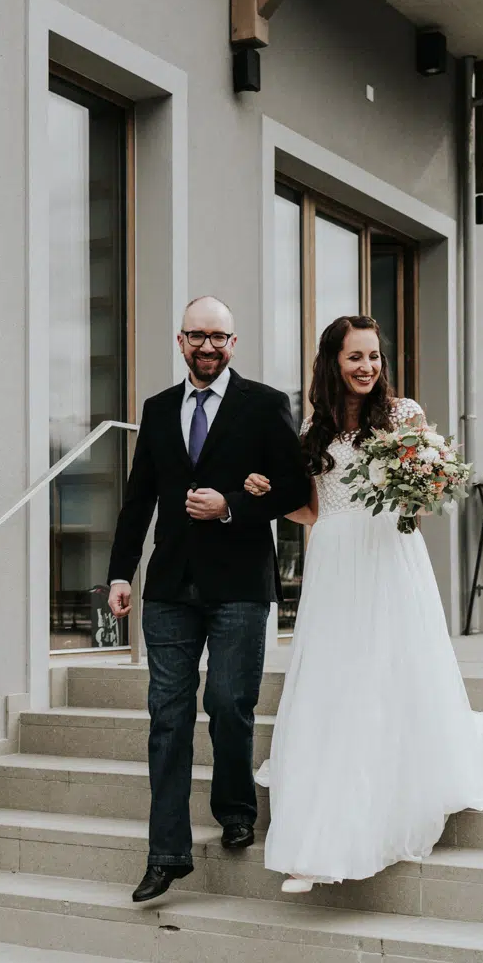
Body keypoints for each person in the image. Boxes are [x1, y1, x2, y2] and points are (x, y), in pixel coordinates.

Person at [245, 315, 483, 894]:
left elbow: (419, 506)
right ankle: (317, 840)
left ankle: (378, 809)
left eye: (373, 356)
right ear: (333, 362)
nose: (367, 367)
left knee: (384, 672)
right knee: (334, 682)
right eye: (355, 357)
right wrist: (270, 497)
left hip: (388, 555)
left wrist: (424, 486)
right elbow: (313, 510)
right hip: (334, 559)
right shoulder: (314, 429)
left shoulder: (404, 416)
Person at [106, 296, 311, 903]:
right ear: (181, 341)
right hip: (169, 586)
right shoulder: (157, 409)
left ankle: (236, 808)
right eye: (197, 335)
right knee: (168, 717)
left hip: (240, 583)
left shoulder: (265, 404)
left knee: (228, 701)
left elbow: (296, 489)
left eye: (218, 336)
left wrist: (232, 506)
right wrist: (120, 574)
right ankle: (166, 854)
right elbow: (138, 500)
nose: (207, 346)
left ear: (233, 343)